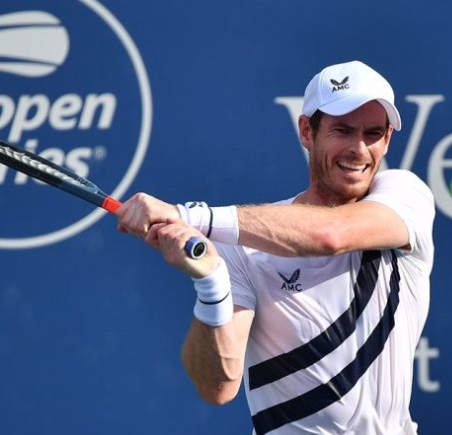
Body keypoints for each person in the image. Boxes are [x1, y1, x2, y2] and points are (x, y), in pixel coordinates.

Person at [116, 60, 435, 435]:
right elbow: (217, 386)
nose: (358, 148)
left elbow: (330, 235)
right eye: (343, 130)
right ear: (307, 132)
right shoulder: (241, 247)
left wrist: (186, 215)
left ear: (387, 140)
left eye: (373, 133)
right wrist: (211, 285)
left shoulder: (405, 195)